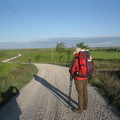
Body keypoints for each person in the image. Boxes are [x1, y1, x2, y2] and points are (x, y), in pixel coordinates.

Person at [69, 47, 92, 113]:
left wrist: (72, 75)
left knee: (80, 94)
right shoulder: (87, 57)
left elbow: (72, 70)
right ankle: (85, 107)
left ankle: (80, 109)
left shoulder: (76, 59)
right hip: (86, 77)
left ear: (76, 52)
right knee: (85, 92)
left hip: (78, 78)